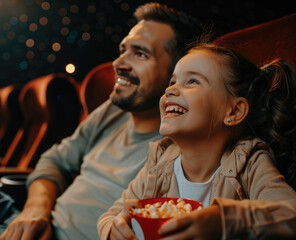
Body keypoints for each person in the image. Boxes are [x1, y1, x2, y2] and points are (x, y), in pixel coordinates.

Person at [0, 3, 203, 240]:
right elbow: (54, 160)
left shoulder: (183, 147)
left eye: (140, 54)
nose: (119, 63)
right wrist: (35, 210)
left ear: (177, 73)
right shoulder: (113, 110)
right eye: (123, 50)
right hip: (30, 223)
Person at [98, 42, 296, 240]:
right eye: (172, 82)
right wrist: (113, 229)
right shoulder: (159, 161)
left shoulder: (248, 161)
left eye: (192, 81)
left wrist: (226, 220)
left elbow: (290, 214)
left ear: (234, 111)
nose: (171, 90)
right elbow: (111, 215)